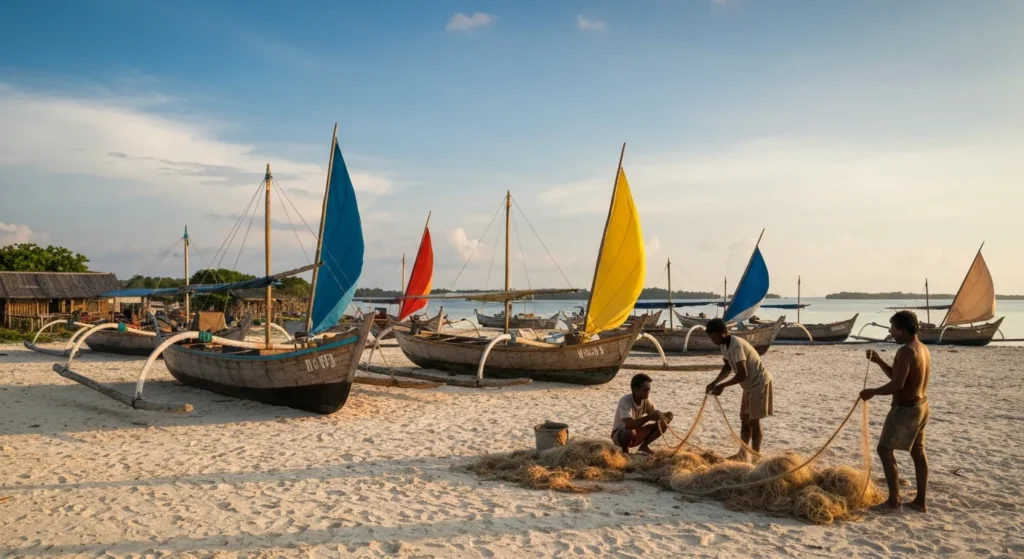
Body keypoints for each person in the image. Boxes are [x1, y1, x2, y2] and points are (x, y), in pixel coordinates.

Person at [861, 310, 931, 514]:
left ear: (902, 330)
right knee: (918, 451)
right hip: (922, 407)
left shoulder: (906, 351)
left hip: (906, 409)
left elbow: (897, 385)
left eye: (893, 328)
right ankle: (920, 501)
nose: (890, 332)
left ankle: (893, 500)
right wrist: (879, 361)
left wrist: (873, 392)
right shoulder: (923, 348)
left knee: (884, 449)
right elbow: (898, 376)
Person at [704, 318, 774, 460]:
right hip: (748, 386)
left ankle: (755, 457)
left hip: (759, 383)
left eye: (713, 337)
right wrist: (715, 382)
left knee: (754, 422)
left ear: (722, 333)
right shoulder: (724, 346)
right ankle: (743, 453)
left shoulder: (736, 345)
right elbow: (727, 366)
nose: (712, 340)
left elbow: (742, 374)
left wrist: (723, 386)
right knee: (744, 420)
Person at [612, 373, 674, 455]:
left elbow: (655, 416)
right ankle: (625, 451)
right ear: (636, 390)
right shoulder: (625, 400)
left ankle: (644, 446)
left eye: (649, 390)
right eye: (645, 390)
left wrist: (666, 416)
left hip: (635, 434)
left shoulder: (646, 401)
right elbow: (628, 424)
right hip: (619, 435)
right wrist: (648, 418)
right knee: (629, 430)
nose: (648, 392)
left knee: (663, 423)